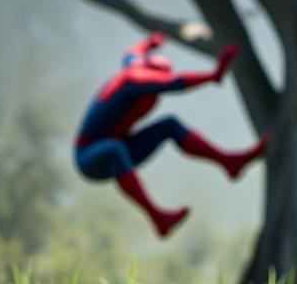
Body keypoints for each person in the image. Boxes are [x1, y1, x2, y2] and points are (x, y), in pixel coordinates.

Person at [74, 32, 270, 238]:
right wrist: (213, 76)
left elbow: (132, 51)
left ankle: (228, 162)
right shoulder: (136, 79)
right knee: (114, 149)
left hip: (123, 145)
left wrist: (150, 42)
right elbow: (176, 82)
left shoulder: (135, 63)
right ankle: (157, 217)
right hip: (88, 157)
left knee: (169, 125)